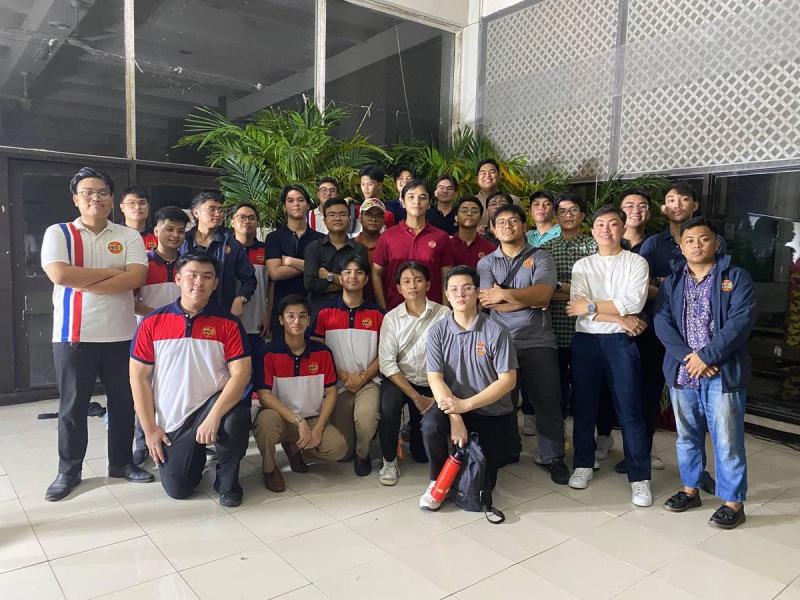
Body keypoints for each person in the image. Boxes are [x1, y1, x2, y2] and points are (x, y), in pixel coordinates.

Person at [41, 167, 153, 502]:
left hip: (121, 334)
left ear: (112, 198)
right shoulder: (59, 233)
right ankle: (68, 471)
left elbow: (137, 278)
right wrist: (113, 274)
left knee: (123, 403)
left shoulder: (128, 236)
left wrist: (86, 278)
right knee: (73, 408)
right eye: (88, 192)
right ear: (76, 199)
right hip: (74, 334)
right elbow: (60, 275)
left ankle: (122, 464)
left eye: (103, 192)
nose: (96, 198)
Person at [655, 217, 756, 529]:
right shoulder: (673, 281)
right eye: (690, 240)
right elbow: (662, 322)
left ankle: (733, 502)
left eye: (704, 239)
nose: (696, 245)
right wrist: (690, 358)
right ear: (681, 246)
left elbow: (741, 321)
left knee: (727, 439)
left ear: (716, 242)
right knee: (687, 436)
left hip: (722, 373)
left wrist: (707, 356)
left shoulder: (734, 277)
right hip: (683, 372)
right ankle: (691, 489)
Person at [130, 254, 252, 506]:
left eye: (207, 277)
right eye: (192, 275)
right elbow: (138, 377)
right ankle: (194, 458)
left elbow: (241, 374)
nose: (199, 282)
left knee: (235, 420)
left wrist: (214, 417)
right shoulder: (153, 323)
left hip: (212, 404)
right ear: (178, 279)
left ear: (215, 283)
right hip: (174, 417)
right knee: (178, 488)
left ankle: (227, 482)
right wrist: (150, 430)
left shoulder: (228, 324)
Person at [566, 205, 652, 507]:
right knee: (584, 407)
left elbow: (633, 302)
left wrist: (592, 307)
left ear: (623, 227)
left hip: (620, 343)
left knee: (629, 409)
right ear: (592, 231)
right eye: (600, 224)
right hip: (586, 342)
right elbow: (576, 306)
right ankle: (583, 464)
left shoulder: (636, 262)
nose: (606, 229)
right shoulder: (582, 265)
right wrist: (619, 318)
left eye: (613, 224)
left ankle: (640, 478)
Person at [477, 204, 568, 484]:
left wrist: (504, 295)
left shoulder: (541, 257)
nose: (507, 225)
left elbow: (543, 296)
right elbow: (488, 303)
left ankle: (553, 457)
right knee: (503, 400)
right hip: (500, 342)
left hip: (538, 340)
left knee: (547, 400)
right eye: (501, 222)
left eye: (513, 220)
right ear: (493, 230)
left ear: (523, 225)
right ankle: (509, 450)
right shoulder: (486, 263)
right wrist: (526, 299)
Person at [419, 266, 519, 511]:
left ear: (477, 293)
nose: (460, 294)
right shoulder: (437, 331)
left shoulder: (496, 331)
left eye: (467, 288)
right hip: (453, 406)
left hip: (491, 411)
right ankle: (437, 481)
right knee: (430, 424)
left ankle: (465, 469)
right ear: (446, 294)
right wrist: (456, 416)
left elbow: (508, 380)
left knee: (481, 485)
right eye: (454, 289)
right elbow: (435, 378)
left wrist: (466, 405)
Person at [252, 295, 347, 492]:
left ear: (309, 320)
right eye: (291, 316)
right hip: (280, 417)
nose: (297, 321)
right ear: (281, 320)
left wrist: (319, 428)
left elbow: (331, 392)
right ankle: (269, 468)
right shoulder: (267, 352)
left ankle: (297, 449)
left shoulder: (322, 352)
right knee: (265, 422)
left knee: (338, 448)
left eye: (302, 316)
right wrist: (298, 421)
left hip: (311, 418)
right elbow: (264, 395)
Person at [607, 189, 665, 472]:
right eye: (629, 205)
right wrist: (647, 287)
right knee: (613, 391)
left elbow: (668, 291)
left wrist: (644, 290)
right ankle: (605, 440)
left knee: (647, 392)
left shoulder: (658, 246)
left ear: (649, 213)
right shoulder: (607, 242)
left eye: (642, 206)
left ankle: (643, 450)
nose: (635, 210)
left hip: (649, 329)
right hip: (611, 328)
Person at [377, 261, 450, 485]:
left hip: (431, 381)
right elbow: (387, 363)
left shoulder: (444, 314)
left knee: (421, 455)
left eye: (418, 280)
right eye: (406, 281)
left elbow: (450, 355)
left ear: (428, 284)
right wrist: (416, 397)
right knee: (389, 408)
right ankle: (389, 462)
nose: (413, 286)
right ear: (399, 288)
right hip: (400, 379)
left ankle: (413, 438)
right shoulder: (391, 318)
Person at [313, 255, 384, 476]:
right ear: (340, 278)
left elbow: (385, 354)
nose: (353, 276)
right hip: (337, 384)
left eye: (359, 272)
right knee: (344, 451)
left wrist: (363, 377)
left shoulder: (378, 314)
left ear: (366, 279)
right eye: (347, 272)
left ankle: (363, 455)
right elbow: (318, 352)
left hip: (369, 381)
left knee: (366, 420)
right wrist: (343, 376)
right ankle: (353, 449)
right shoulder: (324, 313)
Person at [132, 205, 190, 466]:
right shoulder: (141, 264)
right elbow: (131, 303)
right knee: (145, 387)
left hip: (183, 338)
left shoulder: (188, 264)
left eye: (181, 231)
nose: (175, 235)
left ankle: (184, 438)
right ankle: (141, 441)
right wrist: (160, 316)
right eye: (169, 229)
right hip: (149, 337)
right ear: (155, 231)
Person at [540, 194, 597, 418]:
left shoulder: (594, 246)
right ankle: (558, 429)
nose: (568, 215)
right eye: (562, 211)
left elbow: (597, 291)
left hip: (588, 327)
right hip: (554, 327)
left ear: (582, 215)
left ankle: (590, 431)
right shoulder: (546, 249)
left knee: (586, 385)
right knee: (556, 385)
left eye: (573, 210)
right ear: (556, 216)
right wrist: (575, 294)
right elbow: (543, 291)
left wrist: (560, 286)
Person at [372, 179, 453, 310]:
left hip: (432, 311)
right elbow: (376, 272)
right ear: (403, 202)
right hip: (396, 311)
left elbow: (446, 276)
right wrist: (383, 308)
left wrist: (445, 310)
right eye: (411, 197)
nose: (417, 202)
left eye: (423, 197)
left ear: (429, 203)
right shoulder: (388, 236)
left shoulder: (441, 237)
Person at [181, 190, 256, 318]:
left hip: (221, 312)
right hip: (186, 312)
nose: (218, 214)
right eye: (212, 209)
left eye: (220, 210)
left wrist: (240, 299)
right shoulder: (183, 241)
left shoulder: (232, 244)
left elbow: (249, 279)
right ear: (196, 212)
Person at [265, 185, 323, 334]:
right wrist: (311, 267)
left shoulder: (320, 240)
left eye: (300, 200)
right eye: (290, 201)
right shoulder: (274, 238)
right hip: (282, 309)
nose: (296, 204)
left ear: (308, 205)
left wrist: (290, 261)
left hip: (313, 308)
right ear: (284, 207)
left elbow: (323, 272)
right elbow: (275, 273)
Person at [303, 197, 368, 312]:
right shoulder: (313, 248)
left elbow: (360, 283)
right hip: (318, 310)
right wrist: (347, 283)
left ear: (349, 219)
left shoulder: (359, 249)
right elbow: (311, 284)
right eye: (332, 215)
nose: (337, 218)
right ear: (325, 220)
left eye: (342, 214)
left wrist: (329, 276)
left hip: (350, 311)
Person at [230, 202, 270, 347]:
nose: (247, 221)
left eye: (251, 218)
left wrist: (269, 315)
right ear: (232, 222)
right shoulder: (224, 250)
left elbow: (272, 285)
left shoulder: (266, 251)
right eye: (242, 217)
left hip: (258, 324)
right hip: (230, 323)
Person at [447, 197, 496, 269]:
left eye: (474, 211)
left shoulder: (490, 249)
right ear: (456, 217)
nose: (469, 214)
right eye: (464, 211)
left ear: (480, 217)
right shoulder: (446, 246)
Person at [354, 198, 386, 302]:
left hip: (385, 303)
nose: (373, 219)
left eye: (378, 216)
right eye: (368, 215)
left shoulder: (389, 246)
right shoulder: (350, 245)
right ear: (360, 218)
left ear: (383, 220)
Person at [475, 159, 520, 226]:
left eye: (492, 172)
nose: (487, 175)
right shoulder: (471, 203)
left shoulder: (513, 200)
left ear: (499, 176)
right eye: (483, 173)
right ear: (477, 179)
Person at [353, 166, 395, 236]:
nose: (366, 188)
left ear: (380, 185)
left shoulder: (387, 214)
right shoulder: (354, 209)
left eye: (370, 184)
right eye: (363, 184)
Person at [120, 185, 158, 251]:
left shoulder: (157, 236)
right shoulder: (114, 234)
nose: (137, 207)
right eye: (132, 203)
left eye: (142, 203)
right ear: (122, 207)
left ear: (148, 207)